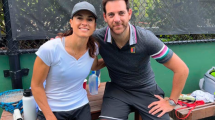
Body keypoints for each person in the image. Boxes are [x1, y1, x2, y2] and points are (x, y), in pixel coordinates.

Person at [91, 0, 189, 120]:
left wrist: (172, 102)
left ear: (129, 14)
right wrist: (110, 60)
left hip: (146, 90)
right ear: (105, 17)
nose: (116, 19)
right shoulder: (97, 38)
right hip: (117, 91)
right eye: (111, 14)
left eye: (121, 13)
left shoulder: (146, 39)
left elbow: (182, 69)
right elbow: (94, 65)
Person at [31, 1, 105, 120]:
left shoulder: (93, 48)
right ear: (71, 22)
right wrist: (49, 116)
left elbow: (94, 66)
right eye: (79, 18)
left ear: (95, 25)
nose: (84, 23)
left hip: (81, 106)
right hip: (53, 110)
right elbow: (36, 85)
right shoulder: (50, 49)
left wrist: (116, 59)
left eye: (90, 19)